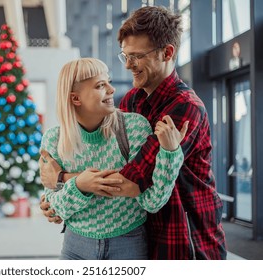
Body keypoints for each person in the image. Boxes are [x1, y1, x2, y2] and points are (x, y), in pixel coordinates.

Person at [39, 6, 227, 260]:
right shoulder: (132, 101)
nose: (128, 65)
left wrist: (63, 178)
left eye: (136, 56)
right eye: (125, 56)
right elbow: (114, 166)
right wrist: (60, 197)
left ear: (167, 53)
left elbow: (133, 180)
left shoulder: (186, 108)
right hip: (142, 232)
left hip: (185, 234)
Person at [41, 57, 187, 260]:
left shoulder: (134, 127)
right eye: (100, 85)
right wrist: (80, 185)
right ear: (76, 99)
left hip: (128, 244)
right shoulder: (54, 139)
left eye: (108, 81)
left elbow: (152, 201)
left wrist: (169, 153)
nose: (111, 90)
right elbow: (54, 210)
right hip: (75, 248)